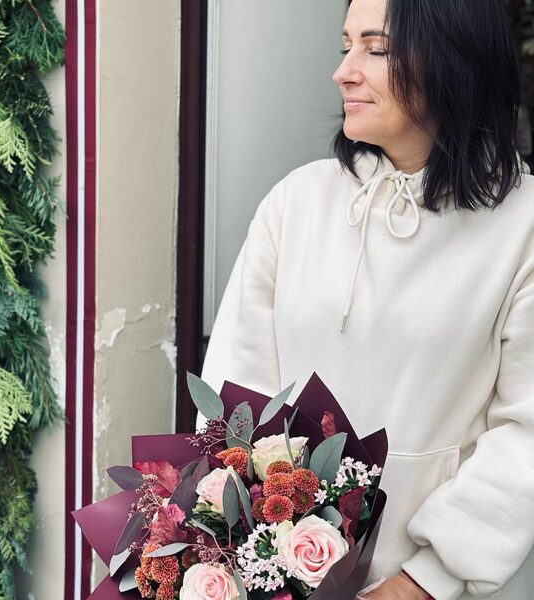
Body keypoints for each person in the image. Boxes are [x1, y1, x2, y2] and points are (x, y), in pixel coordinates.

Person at [200, 0, 534, 598]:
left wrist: (422, 581)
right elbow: (237, 395)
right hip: (285, 580)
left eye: (376, 49)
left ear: (454, 59)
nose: (343, 71)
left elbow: (525, 434)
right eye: (346, 45)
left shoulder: (522, 224)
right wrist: (241, 554)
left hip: (446, 586)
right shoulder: (296, 204)